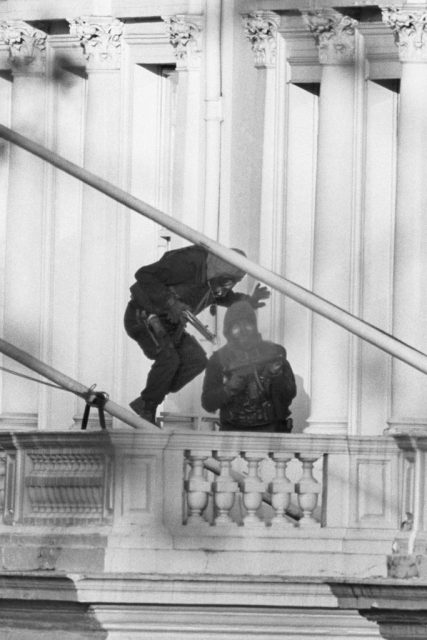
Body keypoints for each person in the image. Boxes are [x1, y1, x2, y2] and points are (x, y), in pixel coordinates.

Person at [124, 244, 270, 424]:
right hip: (144, 317)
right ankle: (148, 408)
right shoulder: (188, 262)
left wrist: (249, 301)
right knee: (169, 360)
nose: (226, 288)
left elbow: (223, 296)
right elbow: (144, 275)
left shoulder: (214, 281)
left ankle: (147, 400)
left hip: (171, 326)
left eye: (232, 283)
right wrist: (170, 302)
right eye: (227, 281)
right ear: (218, 270)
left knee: (196, 361)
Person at [201, 301, 296, 433]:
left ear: (254, 325)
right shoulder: (218, 359)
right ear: (228, 330)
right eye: (236, 326)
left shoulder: (273, 353)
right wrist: (228, 389)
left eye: (247, 323)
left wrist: (275, 376)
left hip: (271, 430)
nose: (243, 330)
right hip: (233, 431)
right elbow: (208, 403)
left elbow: (288, 395)